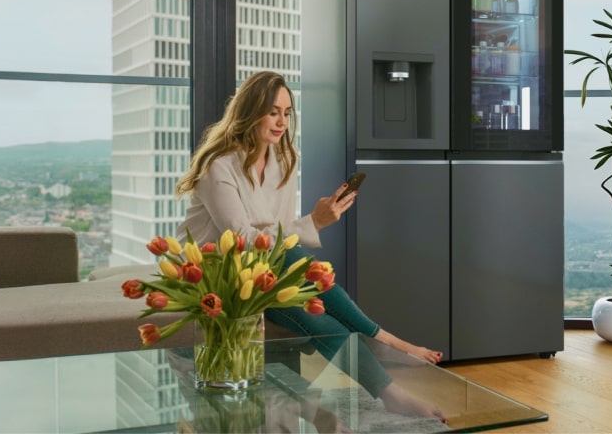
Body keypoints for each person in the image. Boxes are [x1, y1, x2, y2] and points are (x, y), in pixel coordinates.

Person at [175, 70, 443, 420]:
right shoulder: (218, 165)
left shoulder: (284, 159)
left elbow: (278, 233)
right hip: (215, 273)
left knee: (316, 317)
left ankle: (390, 394)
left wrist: (301, 230)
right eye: (273, 111)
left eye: (287, 112)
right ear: (250, 110)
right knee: (291, 253)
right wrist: (313, 222)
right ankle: (386, 339)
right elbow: (240, 238)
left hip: (264, 271)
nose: (281, 121)